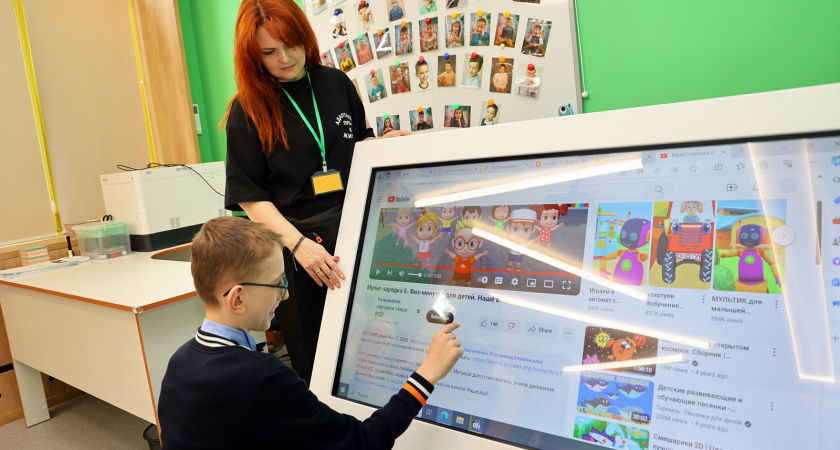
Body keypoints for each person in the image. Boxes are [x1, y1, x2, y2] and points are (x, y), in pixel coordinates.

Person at [222, 0, 410, 385]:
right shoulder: (247, 110)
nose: (285, 59)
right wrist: (299, 247)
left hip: (356, 226)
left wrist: (384, 146)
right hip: (297, 244)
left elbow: (359, 144)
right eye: (269, 52)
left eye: (291, 44)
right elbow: (251, 198)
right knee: (317, 356)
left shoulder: (336, 83)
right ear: (252, 55)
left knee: (379, 341)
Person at [158, 216, 464, 449]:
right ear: (237, 298)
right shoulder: (264, 378)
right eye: (277, 284)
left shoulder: (179, 361)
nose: (285, 295)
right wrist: (427, 373)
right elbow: (364, 442)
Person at [443, 220, 489, 287]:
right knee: (454, 282)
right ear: (453, 243)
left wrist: (482, 254)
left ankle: (468, 289)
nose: (465, 249)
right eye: (460, 243)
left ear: (479, 244)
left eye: (472, 244)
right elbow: (453, 256)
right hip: (457, 273)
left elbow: (476, 257)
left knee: (468, 283)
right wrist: (448, 252)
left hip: (467, 274)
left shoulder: (469, 259)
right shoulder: (460, 259)